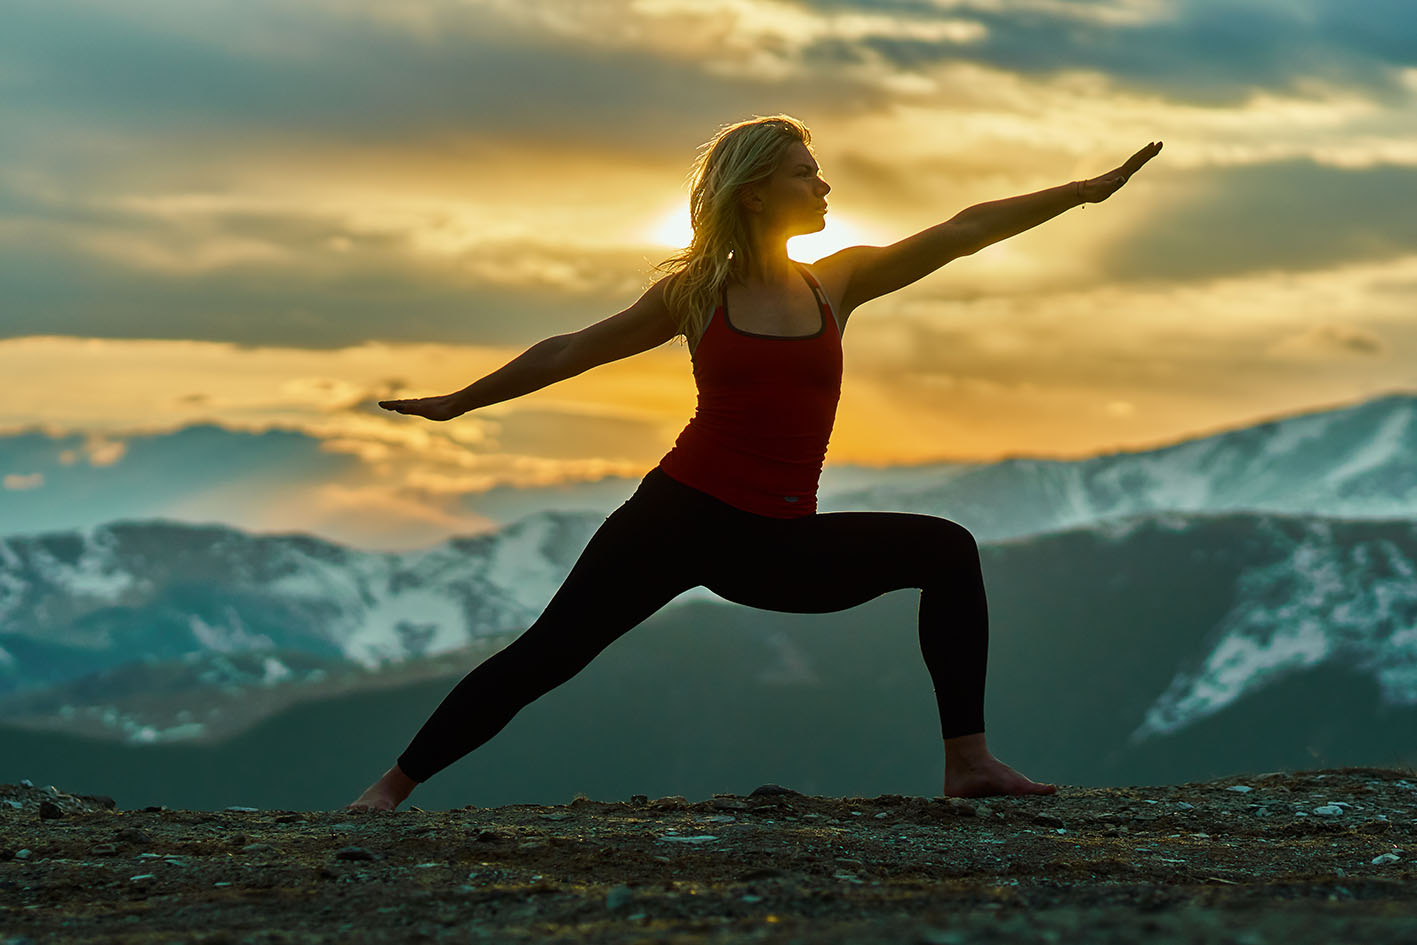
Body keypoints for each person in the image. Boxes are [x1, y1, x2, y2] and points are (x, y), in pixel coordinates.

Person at [345, 114, 1163, 811]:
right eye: (806, 174)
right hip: (676, 516)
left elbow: (961, 230)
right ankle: (387, 788)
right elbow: (572, 349)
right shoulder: (694, 294)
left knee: (944, 549)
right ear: (756, 193)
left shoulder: (836, 283)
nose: (824, 186)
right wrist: (459, 402)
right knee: (547, 653)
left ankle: (968, 762)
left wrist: (1081, 192)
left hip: (774, 541)